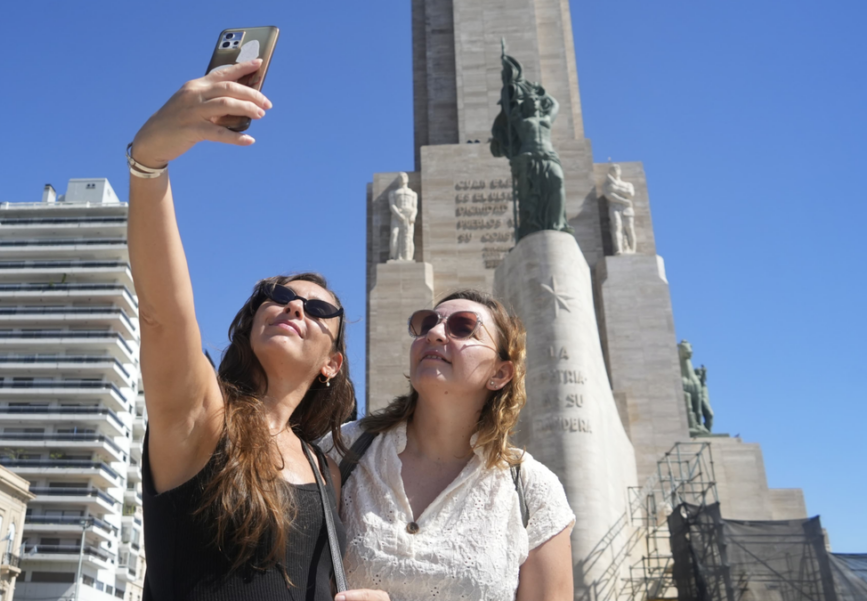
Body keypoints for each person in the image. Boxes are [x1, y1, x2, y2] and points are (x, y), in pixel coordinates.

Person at [129, 59, 357, 600]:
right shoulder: (204, 417)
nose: (295, 308)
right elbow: (162, 316)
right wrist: (149, 162)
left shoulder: (329, 474)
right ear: (252, 321)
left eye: (318, 311)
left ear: (333, 363)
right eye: (279, 297)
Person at [321, 290, 576, 601]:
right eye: (427, 323)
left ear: (499, 373)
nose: (435, 333)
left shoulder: (533, 489)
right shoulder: (342, 448)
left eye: (463, 326)